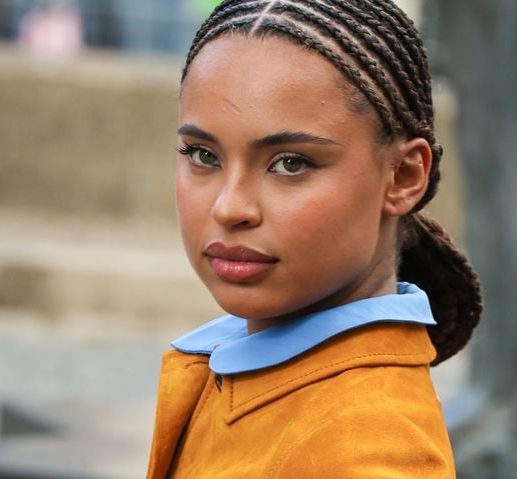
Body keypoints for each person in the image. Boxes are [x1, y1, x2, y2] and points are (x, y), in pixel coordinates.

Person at [145, 1, 483, 477]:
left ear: (404, 176)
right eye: (202, 154)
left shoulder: (370, 449)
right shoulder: (245, 372)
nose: (229, 207)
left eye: (291, 163)